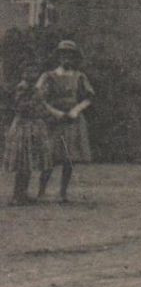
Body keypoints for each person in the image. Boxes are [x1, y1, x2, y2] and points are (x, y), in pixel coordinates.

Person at [37, 41, 94, 203]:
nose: (66, 58)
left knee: (69, 158)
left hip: (73, 120)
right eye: (63, 55)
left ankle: (63, 192)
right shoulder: (48, 76)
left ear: (75, 57)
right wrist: (55, 113)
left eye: (70, 55)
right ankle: (41, 191)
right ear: (58, 57)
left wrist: (76, 110)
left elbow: (89, 97)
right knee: (50, 157)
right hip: (54, 120)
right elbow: (39, 98)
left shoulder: (79, 76)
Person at [4, 57, 53, 205]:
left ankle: (22, 194)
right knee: (23, 163)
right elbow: (20, 107)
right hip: (24, 127)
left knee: (28, 162)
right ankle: (17, 195)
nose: (32, 74)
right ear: (23, 73)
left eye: (35, 71)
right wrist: (34, 99)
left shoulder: (35, 87)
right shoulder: (23, 87)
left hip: (33, 126)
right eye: (29, 71)